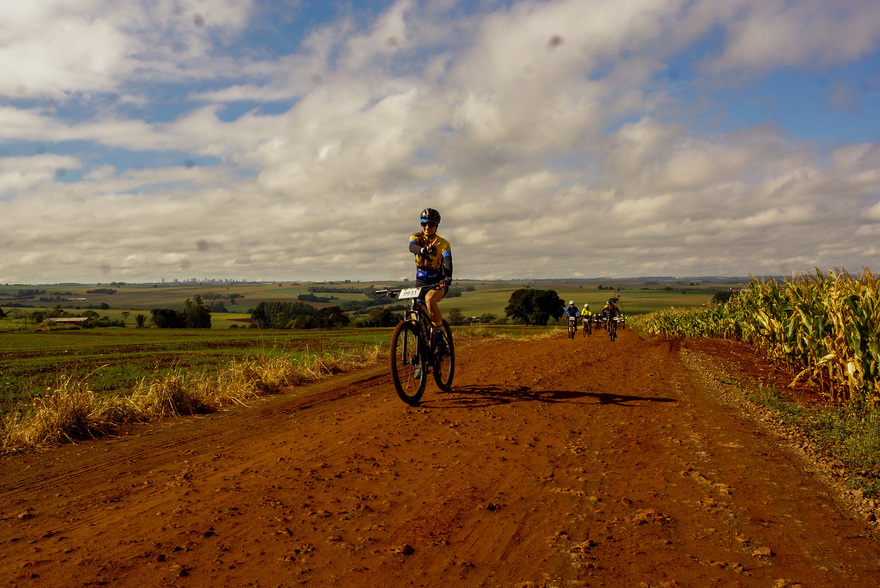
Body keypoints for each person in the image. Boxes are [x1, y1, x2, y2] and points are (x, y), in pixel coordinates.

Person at [409, 208, 453, 346]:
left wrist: (447, 278)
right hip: (420, 282)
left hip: (438, 282)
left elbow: (448, 261)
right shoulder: (415, 238)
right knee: (414, 316)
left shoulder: (443, 244)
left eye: (431, 224)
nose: (427, 227)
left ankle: (439, 336)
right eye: (424, 224)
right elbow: (412, 247)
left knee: (429, 300)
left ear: (436, 226)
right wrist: (422, 250)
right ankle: (421, 351)